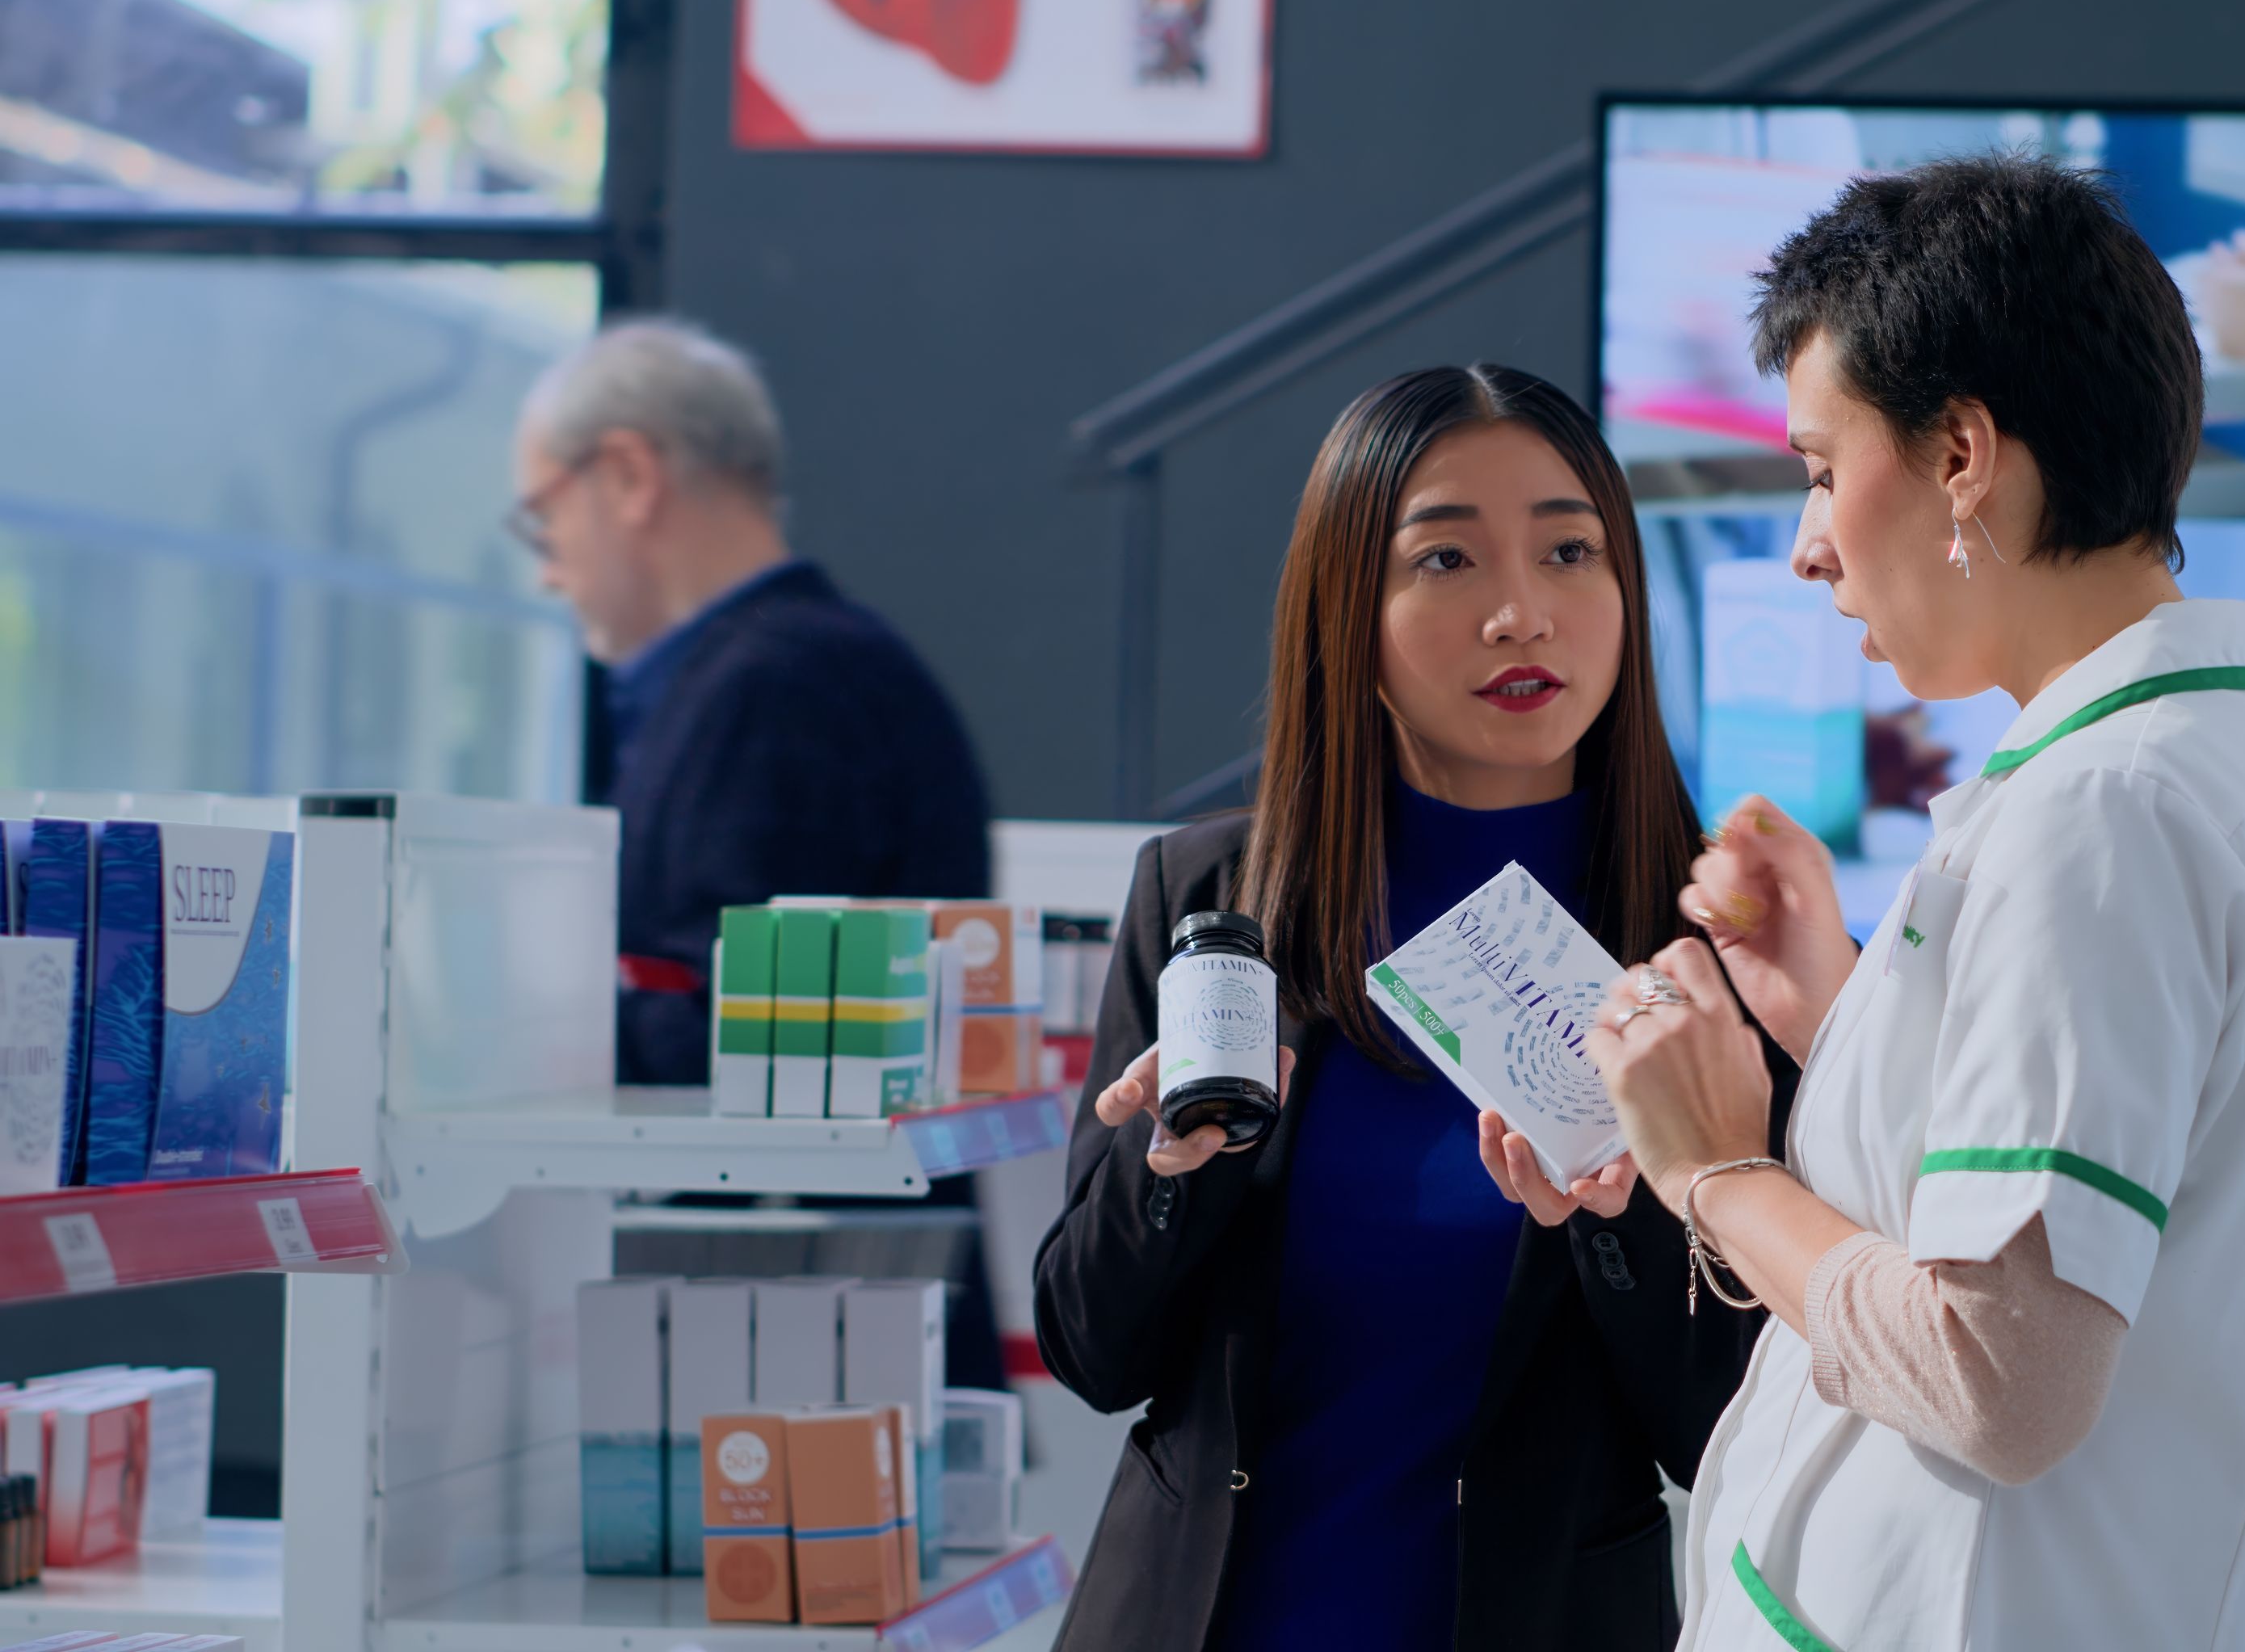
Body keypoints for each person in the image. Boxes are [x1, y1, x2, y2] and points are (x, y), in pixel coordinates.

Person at [1585, 154, 2245, 1650]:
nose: (1808, 543)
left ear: (1960, 455)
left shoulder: (2107, 811)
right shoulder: (2194, 762)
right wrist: (1848, 993)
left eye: (1821, 468)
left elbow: (1998, 1380)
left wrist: (1713, 1174)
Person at [1033, 364, 1797, 1652]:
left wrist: (1622, 1214)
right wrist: (1168, 1167)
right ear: (1346, 610)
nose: (1520, 614)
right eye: (1444, 562)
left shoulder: (1719, 937)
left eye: (1570, 551)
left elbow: (1727, 1418)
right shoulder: (1215, 893)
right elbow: (1094, 1351)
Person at [508, 317, 992, 1087]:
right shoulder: (801, 667)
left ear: (630, 476)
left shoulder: (774, 690)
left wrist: (508, 1031)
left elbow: (729, 1026)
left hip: (783, 1195)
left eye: (543, 519)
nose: (546, 572)